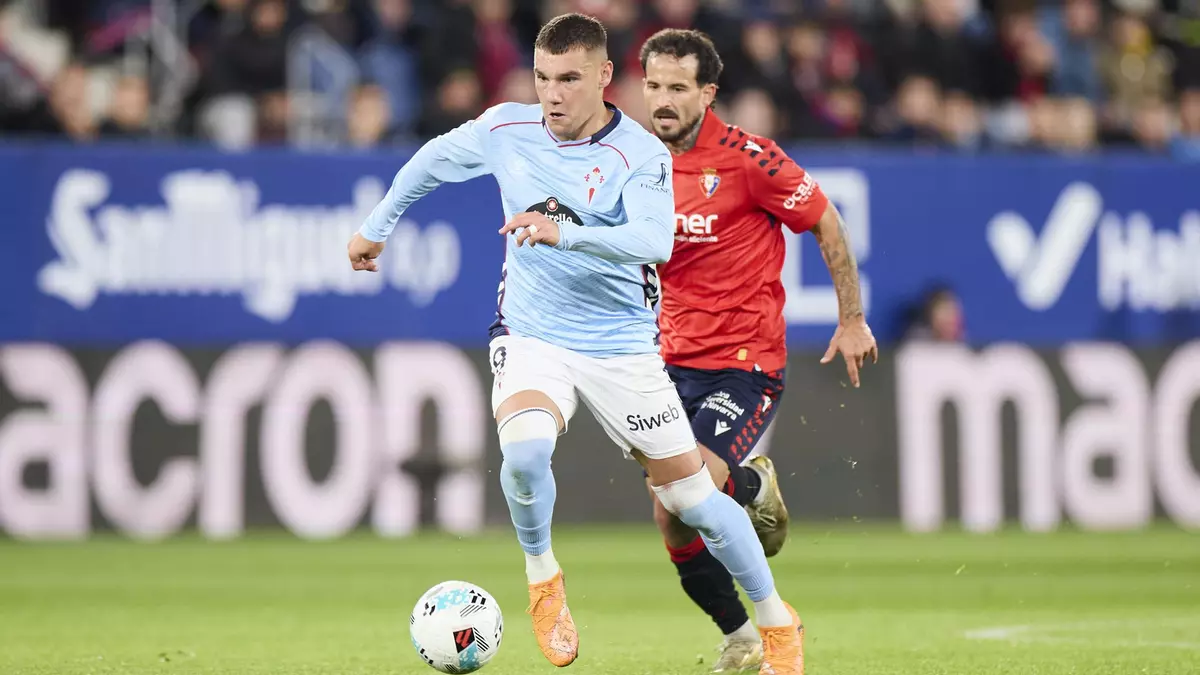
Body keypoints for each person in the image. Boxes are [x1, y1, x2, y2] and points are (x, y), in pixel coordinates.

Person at [347, 13, 806, 675]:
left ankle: (777, 624)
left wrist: (563, 233)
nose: (552, 94)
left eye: (568, 79)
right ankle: (542, 578)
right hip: (532, 334)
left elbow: (653, 240)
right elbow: (432, 161)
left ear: (603, 77)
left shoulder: (640, 153)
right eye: (542, 78)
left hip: (621, 346)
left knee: (692, 500)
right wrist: (377, 225)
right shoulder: (507, 128)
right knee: (525, 452)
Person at [639, 28, 878, 673]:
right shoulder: (635, 161)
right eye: (653, 86)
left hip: (744, 364)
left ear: (708, 93)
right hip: (667, 361)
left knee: (692, 484)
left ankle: (748, 489)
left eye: (678, 87)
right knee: (671, 517)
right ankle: (741, 635)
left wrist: (851, 319)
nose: (662, 100)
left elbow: (825, 219)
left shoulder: (749, 160)